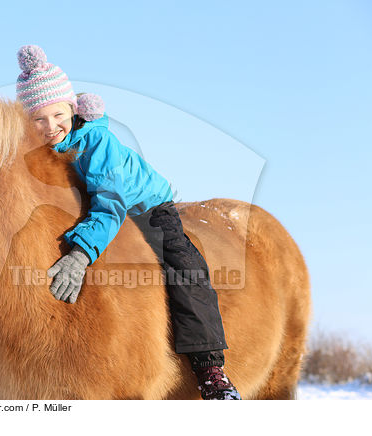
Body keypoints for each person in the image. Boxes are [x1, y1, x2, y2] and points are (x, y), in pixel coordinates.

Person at [16, 45, 241, 400]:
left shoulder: (97, 142)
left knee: (184, 265)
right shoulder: (39, 150)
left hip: (144, 207)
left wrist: (80, 254)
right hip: (95, 206)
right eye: (38, 120)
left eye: (57, 115)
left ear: (72, 109)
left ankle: (209, 367)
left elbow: (111, 202)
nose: (50, 127)